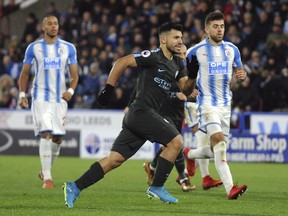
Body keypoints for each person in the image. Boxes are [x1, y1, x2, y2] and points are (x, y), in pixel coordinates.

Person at [63, 22, 198, 208]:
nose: (180, 41)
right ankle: (157, 186)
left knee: (114, 160)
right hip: (141, 111)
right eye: (176, 37)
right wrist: (109, 88)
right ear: (163, 39)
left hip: (141, 118)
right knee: (176, 142)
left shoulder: (177, 64)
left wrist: (193, 75)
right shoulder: (153, 57)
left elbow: (186, 89)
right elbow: (122, 61)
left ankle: (74, 187)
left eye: (181, 38)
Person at [183, 11, 248, 200]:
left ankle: (190, 154)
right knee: (219, 142)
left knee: (215, 148)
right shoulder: (195, 52)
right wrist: (188, 88)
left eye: (222, 26)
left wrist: (242, 76)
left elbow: (240, 72)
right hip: (207, 105)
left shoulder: (232, 49)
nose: (219, 30)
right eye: (215, 27)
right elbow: (185, 78)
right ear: (206, 29)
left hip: (225, 106)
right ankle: (230, 188)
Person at [18, 15, 79, 189]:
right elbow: (24, 74)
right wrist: (22, 94)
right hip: (40, 97)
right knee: (46, 132)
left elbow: (75, 76)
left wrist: (70, 91)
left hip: (60, 99)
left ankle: (45, 170)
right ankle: (48, 179)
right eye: (50, 24)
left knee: (58, 138)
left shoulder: (68, 48)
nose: (53, 26)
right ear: (43, 27)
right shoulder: (34, 48)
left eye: (56, 24)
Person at [137, 44, 195, 192]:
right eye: (181, 53)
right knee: (176, 143)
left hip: (178, 113)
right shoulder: (168, 67)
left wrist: (190, 93)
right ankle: (184, 178)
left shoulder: (186, 71)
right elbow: (159, 89)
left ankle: (152, 166)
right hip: (163, 110)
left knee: (170, 144)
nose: (183, 56)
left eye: (185, 54)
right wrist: (175, 95)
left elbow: (187, 90)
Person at [183, 91, 223, 190]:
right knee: (203, 137)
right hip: (193, 103)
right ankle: (206, 178)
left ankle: (184, 174)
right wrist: (187, 87)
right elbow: (177, 77)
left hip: (207, 103)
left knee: (212, 145)